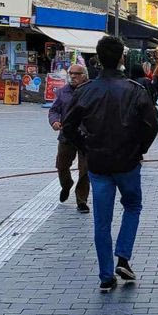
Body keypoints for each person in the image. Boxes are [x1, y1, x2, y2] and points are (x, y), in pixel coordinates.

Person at [62, 36, 158, 291]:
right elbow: (152, 124)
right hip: (127, 163)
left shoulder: (85, 90)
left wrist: (85, 147)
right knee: (133, 206)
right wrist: (140, 149)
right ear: (121, 59)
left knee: (101, 221)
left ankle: (106, 274)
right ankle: (123, 256)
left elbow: (68, 126)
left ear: (97, 58)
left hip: (98, 165)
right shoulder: (135, 90)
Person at [49, 64, 90, 213]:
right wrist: (54, 121)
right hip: (67, 135)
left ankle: (81, 200)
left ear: (84, 76)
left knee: (85, 170)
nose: (72, 76)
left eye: (77, 74)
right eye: (71, 73)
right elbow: (54, 110)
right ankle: (66, 185)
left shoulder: (90, 90)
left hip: (86, 136)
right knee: (61, 165)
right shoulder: (62, 92)